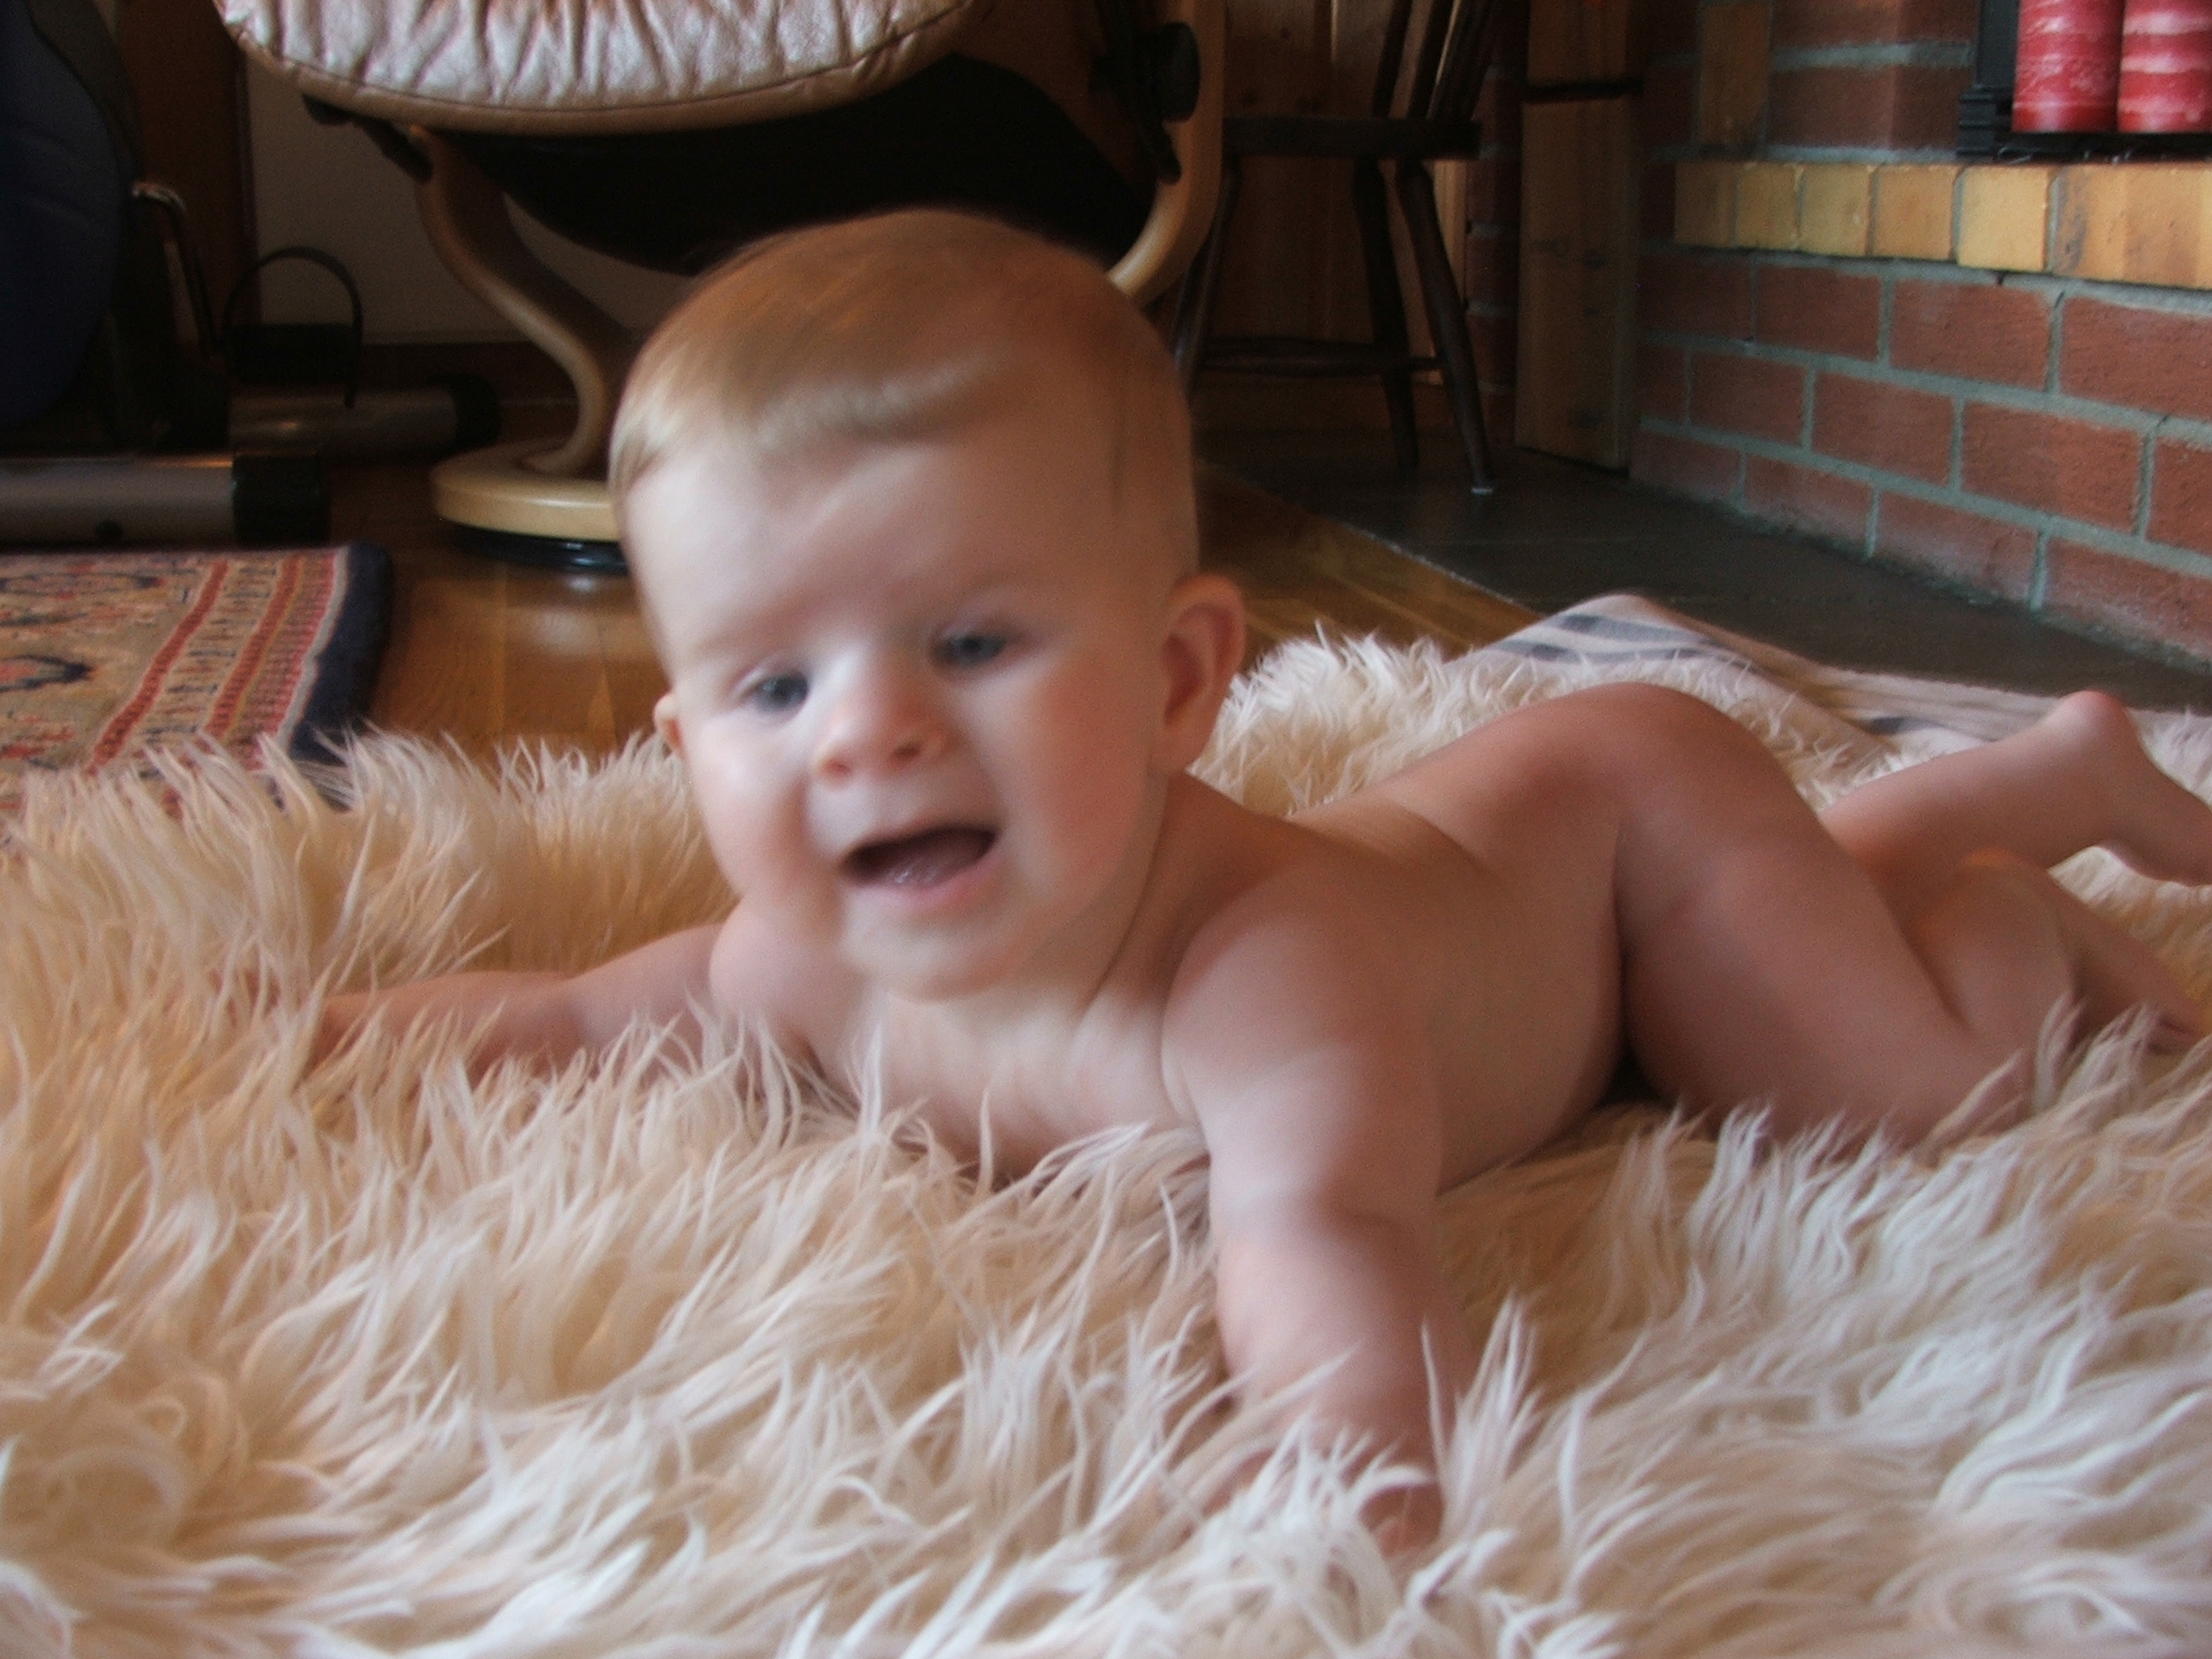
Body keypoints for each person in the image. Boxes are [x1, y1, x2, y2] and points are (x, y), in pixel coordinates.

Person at [320, 208, 2212, 1545]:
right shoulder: (799, 964)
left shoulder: (1256, 970)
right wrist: (342, 1031)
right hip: (1544, 857)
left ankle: (2018, 918)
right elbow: (580, 1018)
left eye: (970, 643)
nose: (864, 735)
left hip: (1627, 831)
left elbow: (1329, 1239)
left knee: (1877, 1091)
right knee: (1755, 964)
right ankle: (2019, 778)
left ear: (1176, 684)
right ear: (684, 745)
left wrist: (1346, 1467)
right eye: (772, 687)